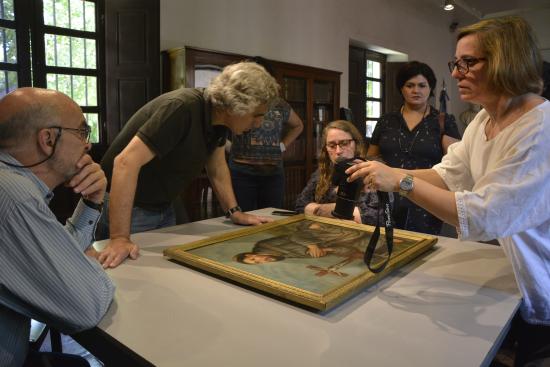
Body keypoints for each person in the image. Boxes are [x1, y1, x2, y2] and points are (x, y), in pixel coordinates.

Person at [347, 16, 549, 367]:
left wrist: (400, 182)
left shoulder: (539, 128)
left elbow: (486, 214)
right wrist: (389, 172)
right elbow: (448, 173)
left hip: (539, 276)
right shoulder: (484, 121)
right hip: (509, 274)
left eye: (468, 62)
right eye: (455, 63)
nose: (456, 73)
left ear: (506, 61)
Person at [97, 61, 280, 269]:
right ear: (235, 105)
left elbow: (217, 167)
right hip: (130, 208)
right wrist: (120, 237)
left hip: (163, 204)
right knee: (133, 276)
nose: (258, 123)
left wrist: (234, 212)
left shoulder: (219, 122)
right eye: (257, 115)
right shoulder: (182, 108)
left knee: (169, 271)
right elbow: (125, 162)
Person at [0, 88, 115, 367]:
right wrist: (86, 266)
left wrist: (93, 201)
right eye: (81, 132)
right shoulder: (16, 197)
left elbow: (56, 257)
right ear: (48, 139)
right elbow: (85, 306)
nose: (87, 145)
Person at [367, 61, 461, 235]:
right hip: (387, 198)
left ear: (430, 88)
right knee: (386, 245)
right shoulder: (386, 121)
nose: (416, 91)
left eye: (422, 85)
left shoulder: (443, 121)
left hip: (425, 200)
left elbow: (456, 164)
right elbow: (371, 157)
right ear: (401, 88)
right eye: (409, 85)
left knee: (424, 251)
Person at [228, 57, 304, 211]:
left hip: (273, 174)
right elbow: (222, 126)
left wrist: (283, 145)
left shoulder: (279, 104)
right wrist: (229, 147)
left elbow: (298, 125)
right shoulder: (238, 101)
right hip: (241, 173)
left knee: (272, 218)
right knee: (242, 219)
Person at [295, 120, 385, 225]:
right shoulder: (322, 172)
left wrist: (331, 210)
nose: (338, 151)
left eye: (344, 143)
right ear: (326, 149)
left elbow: (378, 218)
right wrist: (327, 210)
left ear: (356, 144)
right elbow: (300, 206)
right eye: (332, 145)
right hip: (327, 234)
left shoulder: (372, 171)